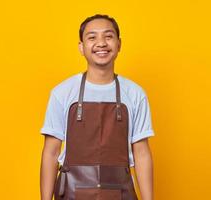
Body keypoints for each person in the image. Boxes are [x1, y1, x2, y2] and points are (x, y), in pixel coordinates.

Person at [40, 14, 155, 200]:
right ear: (81, 47)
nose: (101, 43)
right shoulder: (62, 92)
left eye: (108, 36)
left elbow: (141, 152)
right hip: (71, 193)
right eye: (92, 37)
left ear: (119, 44)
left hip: (121, 193)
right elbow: (51, 152)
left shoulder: (135, 94)